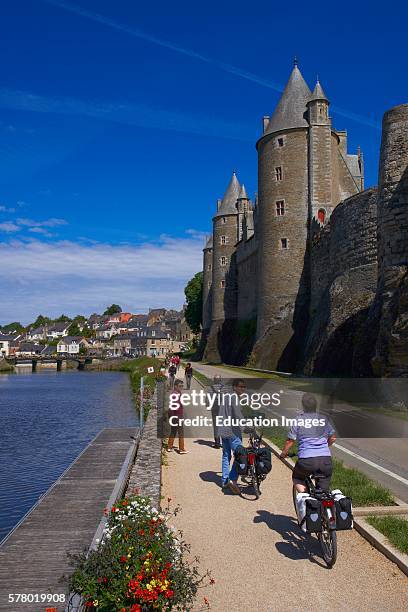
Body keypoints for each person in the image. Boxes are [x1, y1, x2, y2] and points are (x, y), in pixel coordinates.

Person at [280, 393, 336, 493]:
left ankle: (305, 498)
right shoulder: (323, 419)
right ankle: (325, 507)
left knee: (297, 478)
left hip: (306, 460)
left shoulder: (299, 419)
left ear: (303, 405)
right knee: (323, 492)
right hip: (325, 460)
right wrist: (324, 447)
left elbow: (290, 441)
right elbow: (333, 438)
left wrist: (283, 454)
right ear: (316, 406)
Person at [218, 378, 247, 494]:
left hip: (223, 429)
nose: (243, 389)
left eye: (244, 387)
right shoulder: (234, 397)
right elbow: (238, 415)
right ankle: (232, 479)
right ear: (234, 387)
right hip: (232, 431)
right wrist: (245, 427)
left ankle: (224, 480)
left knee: (226, 455)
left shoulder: (225, 396)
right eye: (240, 386)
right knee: (240, 455)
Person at [167, 378, 188, 454]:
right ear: (175, 386)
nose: (181, 387)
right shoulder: (175, 394)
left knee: (173, 431)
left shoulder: (175, 393)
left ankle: (169, 447)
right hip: (177, 415)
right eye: (180, 386)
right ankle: (181, 449)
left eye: (182, 386)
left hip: (173, 415)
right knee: (181, 432)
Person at [210, 375, 222, 448]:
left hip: (214, 408)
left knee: (216, 426)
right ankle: (224, 443)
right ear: (220, 380)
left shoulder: (211, 388)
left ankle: (217, 443)